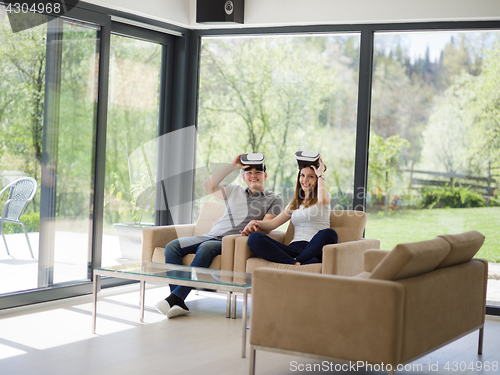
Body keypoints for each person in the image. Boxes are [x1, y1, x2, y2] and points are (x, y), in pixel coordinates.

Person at [155, 153, 284, 318]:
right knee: (173, 246)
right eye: (249, 172)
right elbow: (207, 186)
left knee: (206, 247)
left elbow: (267, 226)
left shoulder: (274, 199)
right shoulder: (234, 190)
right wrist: (232, 166)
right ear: (244, 177)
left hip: (234, 241)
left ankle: (176, 298)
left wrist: (255, 226)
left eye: (258, 172)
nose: (253, 176)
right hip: (211, 235)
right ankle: (178, 299)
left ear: (265, 175)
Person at [241, 153, 337, 265]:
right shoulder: (295, 202)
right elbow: (273, 223)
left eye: (311, 176)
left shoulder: (324, 196)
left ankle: (301, 259)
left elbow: (323, 200)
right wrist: (255, 223)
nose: (305, 180)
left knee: (330, 233)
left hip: (313, 247)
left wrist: (320, 174)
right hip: (293, 249)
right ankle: (296, 262)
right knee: (255, 238)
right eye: (302, 175)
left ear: (317, 179)